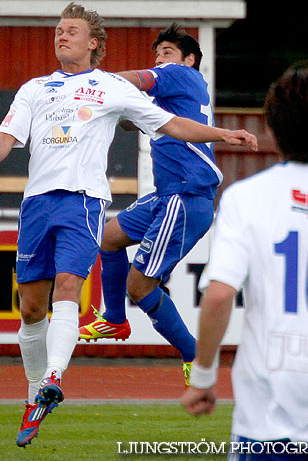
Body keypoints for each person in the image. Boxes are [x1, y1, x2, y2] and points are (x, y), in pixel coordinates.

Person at [0, 2, 258, 448]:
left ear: (93, 43)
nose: (61, 35)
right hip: (48, 203)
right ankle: (47, 385)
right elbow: (9, 135)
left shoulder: (134, 83)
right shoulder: (35, 89)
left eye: (71, 30)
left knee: (89, 288)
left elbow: (167, 118)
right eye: (58, 30)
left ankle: (67, 374)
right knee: (36, 304)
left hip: (115, 199)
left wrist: (222, 134)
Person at [181, 69, 308, 458]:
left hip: (266, 409)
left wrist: (204, 377)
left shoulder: (246, 198)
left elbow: (218, 295)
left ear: (273, 128)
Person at [79, 24, 221, 387]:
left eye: (168, 52)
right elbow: (132, 120)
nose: (160, 60)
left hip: (185, 196)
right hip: (168, 194)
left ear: (189, 59)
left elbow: (136, 80)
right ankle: (114, 318)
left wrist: (93, 82)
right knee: (109, 238)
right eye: (158, 54)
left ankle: (194, 355)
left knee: (139, 287)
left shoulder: (180, 75)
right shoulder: (173, 98)